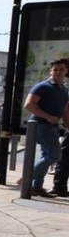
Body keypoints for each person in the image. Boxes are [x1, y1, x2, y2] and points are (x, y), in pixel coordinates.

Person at [23, 58, 69, 197]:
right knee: (55, 155)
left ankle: (36, 187)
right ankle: (26, 179)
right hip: (41, 125)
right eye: (55, 69)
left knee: (46, 155)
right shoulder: (42, 86)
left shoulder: (64, 90)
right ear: (50, 71)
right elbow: (29, 105)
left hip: (52, 126)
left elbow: (65, 111)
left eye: (61, 69)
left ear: (66, 71)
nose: (58, 72)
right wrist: (47, 116)